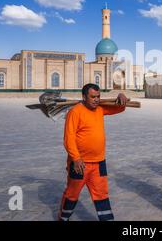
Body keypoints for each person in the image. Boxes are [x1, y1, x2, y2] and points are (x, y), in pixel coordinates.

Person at [58, 83, 128, 221]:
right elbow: (68, 138)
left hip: (99, 162)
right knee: (72, 194)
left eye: (98, 96)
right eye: (93, 97)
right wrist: (76, 158)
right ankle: (63, 218)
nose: (96, 99)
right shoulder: (75, 112)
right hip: (80, 164)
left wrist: (121, 97)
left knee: (102, 195)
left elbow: (119, 108)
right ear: (84, 97)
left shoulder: (100, 109)